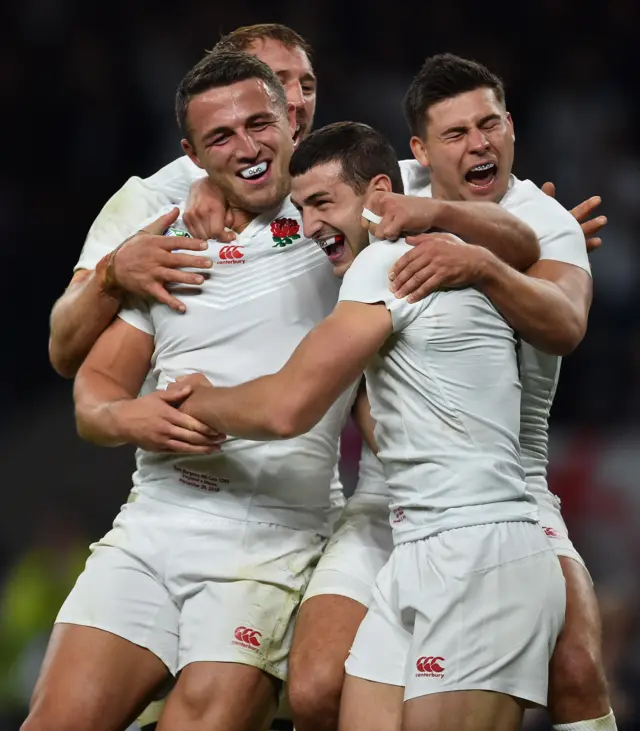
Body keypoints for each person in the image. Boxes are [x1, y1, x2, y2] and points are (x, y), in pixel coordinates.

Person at [167, 119, 567, 731]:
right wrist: (208, 187)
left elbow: (287, 407)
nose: (307, 226)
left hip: (479, 546)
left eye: (323, 203)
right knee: (319, 694)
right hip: (415, 544)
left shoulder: (390, 260)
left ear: (383, 195)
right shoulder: (425, 251)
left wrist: (192, 401)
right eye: (300, 209)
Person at [23, 51, 355, 731]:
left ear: (292, 123)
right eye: (222, 138)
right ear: (193, 156)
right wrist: (129, 417)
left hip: (272, 536)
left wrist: (531, 230)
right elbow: (91, 394)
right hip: (156, 524)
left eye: (260, 124)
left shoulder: (342, 222)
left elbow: (445, 187)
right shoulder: (168, 239)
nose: (249, 146)